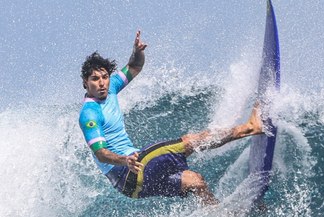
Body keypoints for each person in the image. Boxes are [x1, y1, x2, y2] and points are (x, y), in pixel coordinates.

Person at [79, 31, 262, 205]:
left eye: (104, 77)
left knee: (195, 181)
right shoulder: (89, 114)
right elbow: (101, 154)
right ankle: (250, 127)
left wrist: (137, 52)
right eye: (95, 79)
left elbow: (135, 66)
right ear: (85, 83)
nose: (102, 82)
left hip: (132, 185)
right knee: (190, 142)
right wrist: (123, 160)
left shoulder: (110, 89)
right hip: (127, 171)